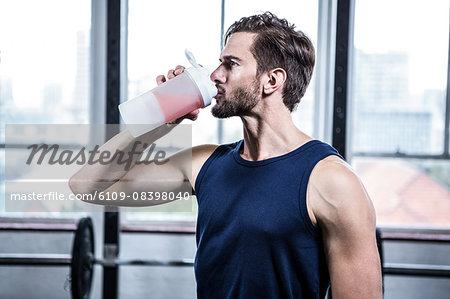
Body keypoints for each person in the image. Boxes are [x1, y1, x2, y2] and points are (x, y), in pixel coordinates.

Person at [70, 12, 382, 299]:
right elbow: (85, 185)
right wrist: (160, 119)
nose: (215, 75)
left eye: (230, 64)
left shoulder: (332, 181)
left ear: (272, 81)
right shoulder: (204, 165)